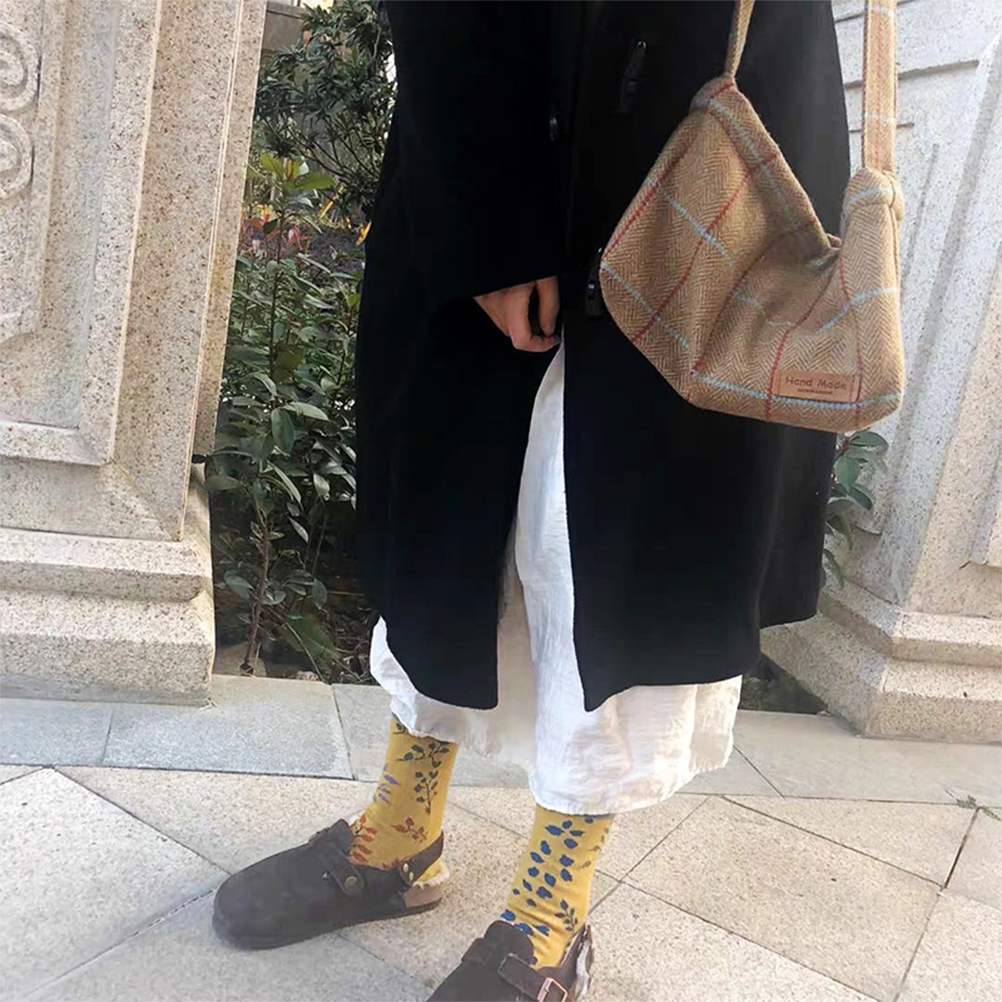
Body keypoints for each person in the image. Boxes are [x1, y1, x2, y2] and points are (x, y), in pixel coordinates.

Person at [214, 2, 850, 998]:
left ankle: (550, 914)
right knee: (457, 529)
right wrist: (491, 225)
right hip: (515, 111)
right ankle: (401, 837)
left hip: (715, 143)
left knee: (613, 561)